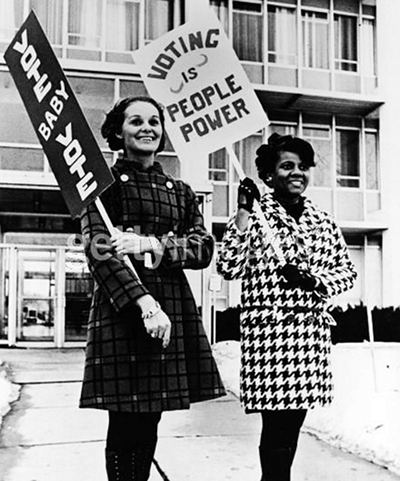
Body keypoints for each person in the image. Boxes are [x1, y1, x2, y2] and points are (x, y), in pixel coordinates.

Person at [79, 95, 226, 481]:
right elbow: (99, 251)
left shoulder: (180, 191)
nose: (147, 128)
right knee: (125, 420)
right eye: (136, 121)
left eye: (154, 122)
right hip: (123, 311)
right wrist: (144, 303)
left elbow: (203, 247)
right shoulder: (101, 188)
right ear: (118, 131)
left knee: (151, 420)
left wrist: (153, 244)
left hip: (172, 307)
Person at [216, 133, 357, 481]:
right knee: (276, 425)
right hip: (271, 338)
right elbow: (229, 266)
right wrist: (243, 212)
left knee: (293, 423)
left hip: (308, 338)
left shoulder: (323, 222)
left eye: (303, 166)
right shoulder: (256, 217)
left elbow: (346, 271)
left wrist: (313, 280)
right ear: (268, 175)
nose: (297, 172)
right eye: (287, 166)